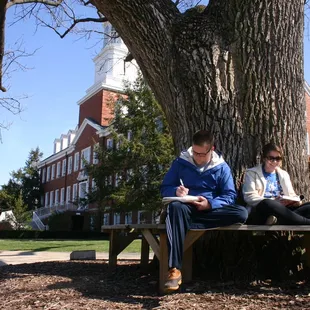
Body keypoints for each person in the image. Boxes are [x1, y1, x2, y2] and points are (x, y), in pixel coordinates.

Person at [160, 130, 248, 293]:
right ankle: (174, 270)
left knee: (241, 213)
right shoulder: (181, 162)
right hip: (186, 207)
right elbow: (165, 188)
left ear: (211, 149)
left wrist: (210, 204)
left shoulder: (221, 167)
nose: (198, 157)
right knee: (175, 208)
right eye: (195, 152)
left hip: (210, 210)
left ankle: (181, 222)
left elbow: (229, 196)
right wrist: (176, 192)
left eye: (202, 154)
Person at [242, 142, 310, 225]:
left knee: (308, 206)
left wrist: (295, 201)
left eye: (278, 159)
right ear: (264, 158)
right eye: (271, 158)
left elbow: (291, 195)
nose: (274, 162)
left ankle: (278, 221)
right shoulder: (252, 173)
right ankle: (306, 222)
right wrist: (274, 201)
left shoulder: (283, 174)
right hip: (262, 210)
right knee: (268, 203)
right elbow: (249, 197)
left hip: (284, 210)